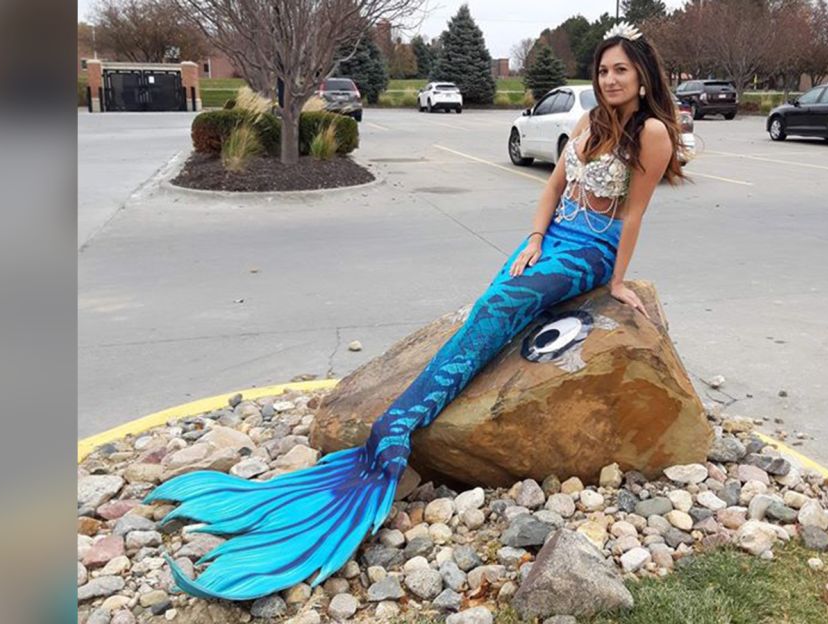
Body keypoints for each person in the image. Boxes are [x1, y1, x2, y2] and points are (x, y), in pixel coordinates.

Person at [144, 21, 686, 602]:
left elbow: (633, 215)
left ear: (641, 74)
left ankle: (397, 424)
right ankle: (405, 416)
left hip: (590, 251)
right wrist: (532, 238)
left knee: (505, 303)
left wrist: (618, 281)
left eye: (620, 70)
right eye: (603, 69)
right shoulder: (587, 120)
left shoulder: (651, 132)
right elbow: (554, 184)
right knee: (488, 310)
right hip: (552, 239)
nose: (609, 79)